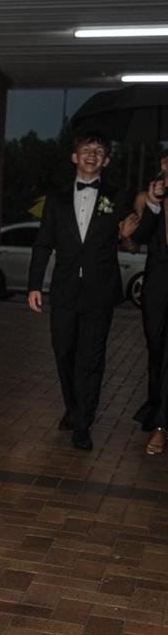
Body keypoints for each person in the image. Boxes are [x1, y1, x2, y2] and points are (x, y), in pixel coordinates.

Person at [27, 132, 137, 451]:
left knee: (90, 359)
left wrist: (129, 235)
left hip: (100, 293)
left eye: (98, 151)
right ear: (74, 157)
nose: (91, 155)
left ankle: (83, 423)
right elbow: (43, 243)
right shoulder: (57, 198)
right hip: (63, 291)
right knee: (64, 353)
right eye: (85, 150)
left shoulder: (118, 197)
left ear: (106, 160)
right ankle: (72, 408)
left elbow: (132, 237)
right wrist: (35, 285)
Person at [130, 158, 168, 455]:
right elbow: (139, 240)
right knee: (156, 350)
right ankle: (156, 407)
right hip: (157, 283)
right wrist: (154, 204)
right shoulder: (149, 197)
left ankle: (160, 426)